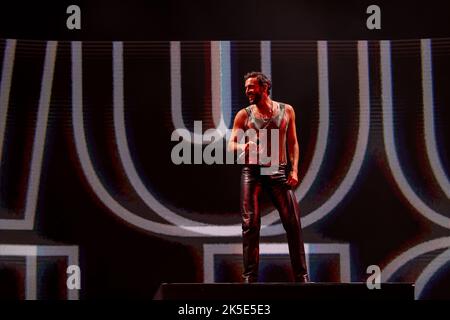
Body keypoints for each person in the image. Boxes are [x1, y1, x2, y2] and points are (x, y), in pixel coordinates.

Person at [228, 71, 309, 283]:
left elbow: (293, 142)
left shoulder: (286, 110)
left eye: (251, 87)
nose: (247, 91)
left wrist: (294, 170)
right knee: (250, 224)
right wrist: (242, 145)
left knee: (293, 222)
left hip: (278, 170)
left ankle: (302, 276)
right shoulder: (244, 115)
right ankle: (250, 277)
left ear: (264, 88)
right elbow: (231, 144)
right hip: (253, 172)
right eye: (246, 88)